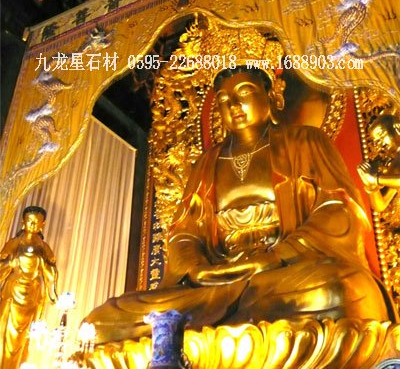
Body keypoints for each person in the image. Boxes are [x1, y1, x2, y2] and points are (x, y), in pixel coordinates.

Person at [85, 67, 395, 344]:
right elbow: (184, 234)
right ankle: (239, 331)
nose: (233, 105)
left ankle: (208, 338)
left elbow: (339, 209)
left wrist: (274, 256)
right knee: (104, 320)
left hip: (285, 272)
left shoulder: (306, 140)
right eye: (224, 99)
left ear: (272, 98)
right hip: (216, 280)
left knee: (337, 289)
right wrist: (196, 268)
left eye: (245, 93)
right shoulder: (206, 163)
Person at [0, 206, 58, 369]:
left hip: (32, 296)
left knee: (25, 337)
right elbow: (1, 264)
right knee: (4, 332)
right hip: (13, 293)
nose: (33, 225)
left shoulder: (44, 247)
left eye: (37, 222)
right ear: (23, 222)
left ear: (42, 224)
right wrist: (11, 264)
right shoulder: (14, 243)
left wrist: (43, 266)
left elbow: (52, 272)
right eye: (29, 221)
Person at [358, 111, 400, 213]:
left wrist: (376, 179)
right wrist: (372, 186)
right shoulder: (395, 164)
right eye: (378, 140)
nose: (381, 143)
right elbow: (380, 206)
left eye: (381, 135)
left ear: (397, 127)